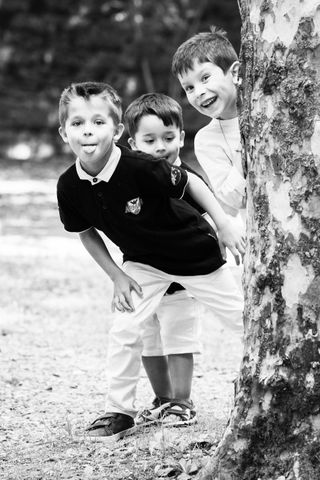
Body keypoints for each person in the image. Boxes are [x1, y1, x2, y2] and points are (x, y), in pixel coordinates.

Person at [56, 81, 245, 440]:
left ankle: (282, 377)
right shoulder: (69, 185)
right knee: (125, 330)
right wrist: (116, 275)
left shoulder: (141, 166)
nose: (88, 131)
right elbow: (84, 231)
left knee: (241, 319)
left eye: (98, 122)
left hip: (196, 256)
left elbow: (190, 182)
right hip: (143, 261)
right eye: (78, 124)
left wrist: (223, 224)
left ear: (118, 130)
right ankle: (119, 411)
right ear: (64, 132)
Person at [123, 92, 212, 428]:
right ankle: (161, 399)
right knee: (148, 337)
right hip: (142, 275)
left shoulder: (189, 181)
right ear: (133, 144)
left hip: (182, 278)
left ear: (181, 137)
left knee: (179, 337)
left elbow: (208, 220)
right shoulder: (128, 181)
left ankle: (182, 401)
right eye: (149, 140)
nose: (160, 147)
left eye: (168, 138)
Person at [170, 26, 246, 240]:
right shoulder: (207, 140)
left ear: (235, 73)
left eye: (205, 78)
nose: (199, 92)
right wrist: (242, 154)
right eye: (189, 88)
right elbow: (233, 200)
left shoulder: (267, 112)